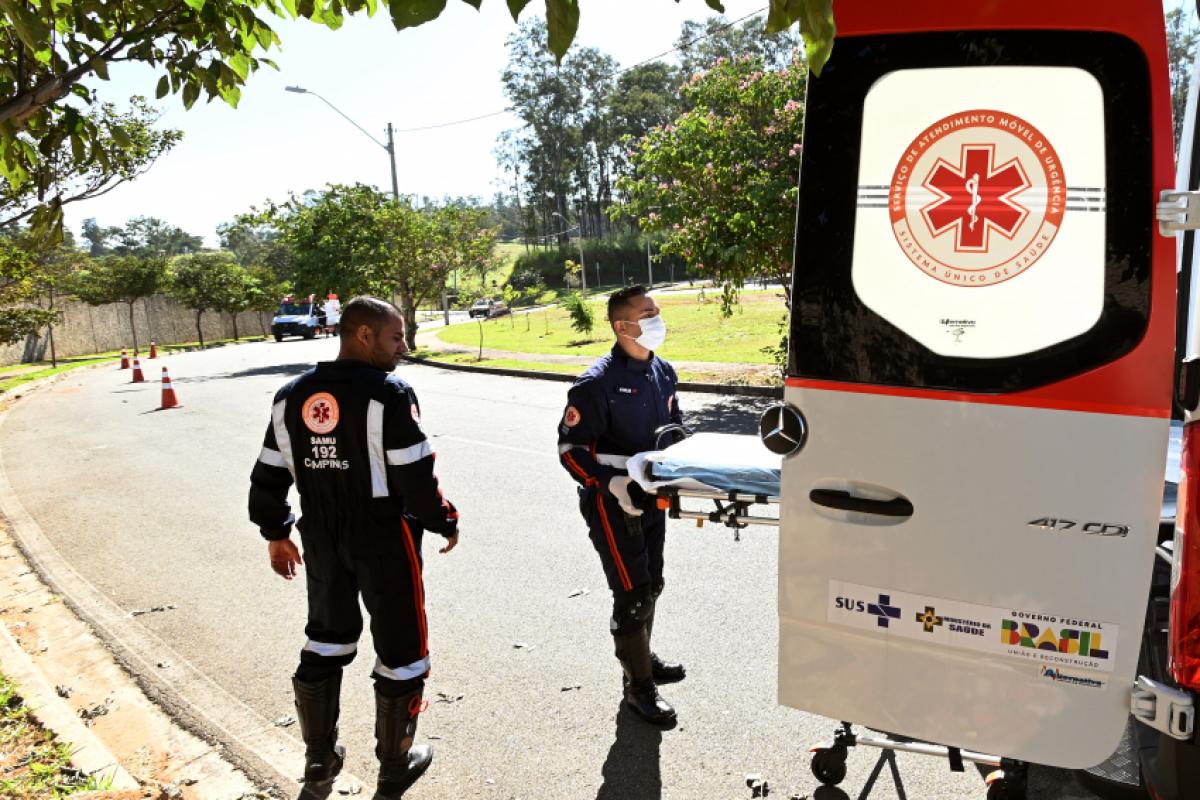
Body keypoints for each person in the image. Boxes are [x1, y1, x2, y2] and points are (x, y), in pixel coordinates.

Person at [248, 296, 459, 797]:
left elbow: (268, 475)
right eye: (395, 336)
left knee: (326, 638)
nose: (403, 347)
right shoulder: (389, 393)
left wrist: (277, 533)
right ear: (363, 334)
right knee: (402, 648)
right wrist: (443, 521)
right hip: (385, 537)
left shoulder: (290, 396)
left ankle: (319, 762)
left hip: (320, 536)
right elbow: (416, 475)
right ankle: (393, 765)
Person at [557, 285, 686, 725]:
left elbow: (675, 428)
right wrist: (609, 483)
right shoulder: (597, 384)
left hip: (653, 497)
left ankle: (642, 659)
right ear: (622, 325)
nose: (657, 319)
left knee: (652, 583)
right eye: (647, 313)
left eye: (657, 311)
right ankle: (639, 687)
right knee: (631, 593)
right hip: (613, 504)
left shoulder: (662, 371)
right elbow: (570, 450)